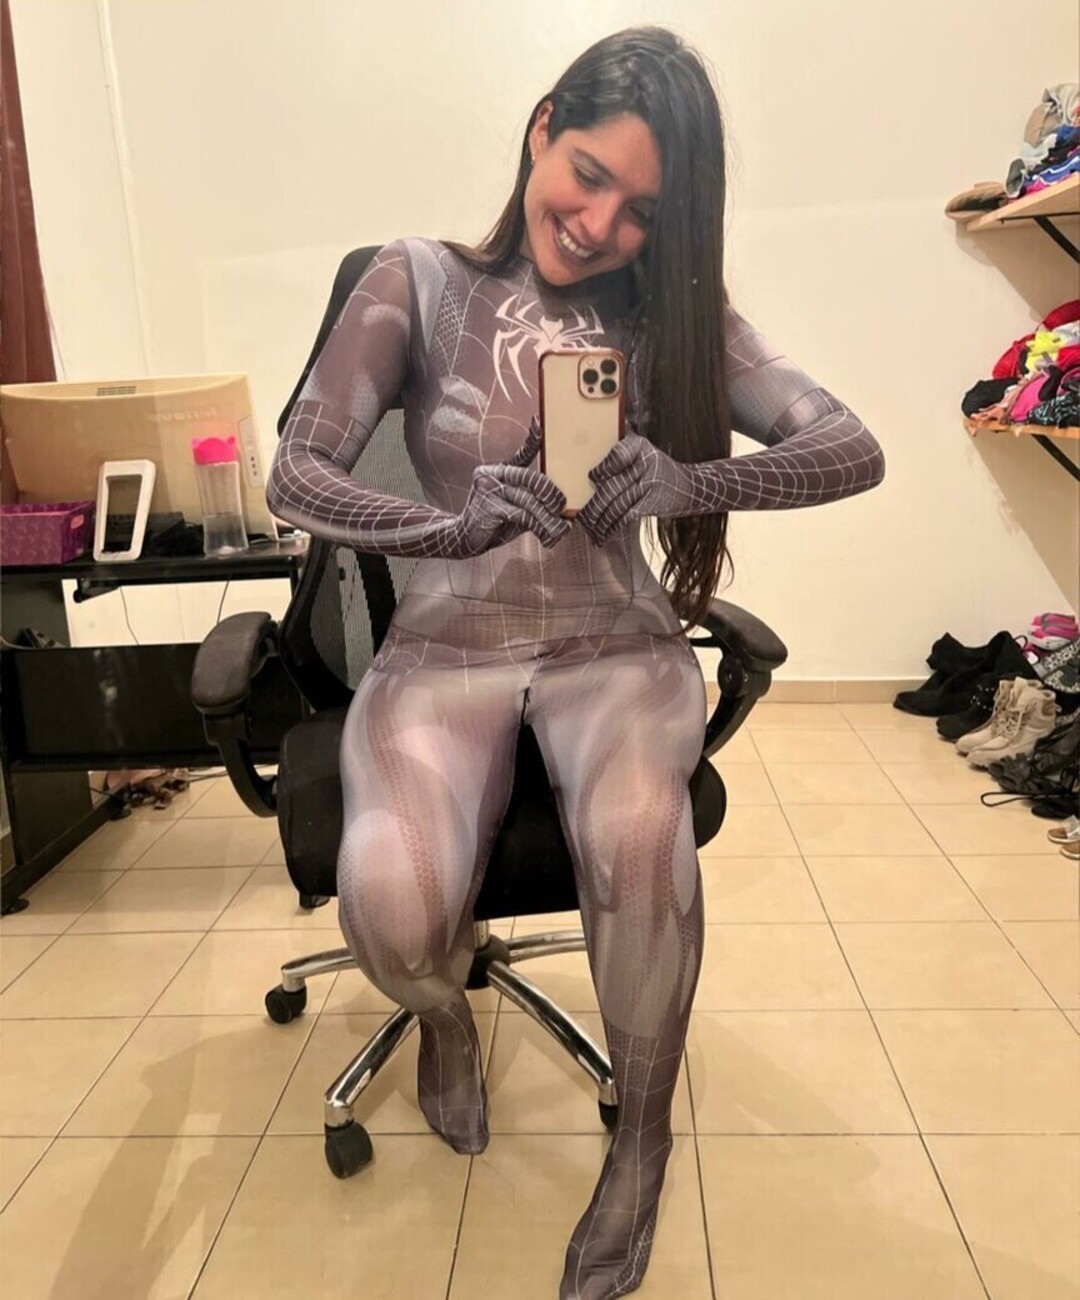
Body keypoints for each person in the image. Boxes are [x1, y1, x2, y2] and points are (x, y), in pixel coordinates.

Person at [267, 25, 884, 1300]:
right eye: (589, 174)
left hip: (615, 650)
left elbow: (850, 446)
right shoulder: (417, 279)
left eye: (642, 210)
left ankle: (642, 1145)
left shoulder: (675, 319)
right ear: (544, 127)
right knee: (389, 905)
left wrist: (692, 479)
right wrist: (441, 525)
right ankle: (446, 1015)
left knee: (644, 840)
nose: (600, 224)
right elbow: (297, 471)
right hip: (445, 647)